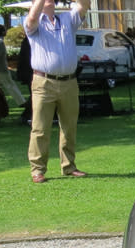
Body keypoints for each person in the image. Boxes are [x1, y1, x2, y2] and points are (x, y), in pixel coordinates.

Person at [24, 0, 90, 184]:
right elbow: (31, 18)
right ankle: (37, 170)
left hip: (69, 81)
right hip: (43, 82)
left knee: (69, 126)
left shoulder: (67, 19)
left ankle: (69, 166)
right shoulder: (34, 21)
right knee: (40, 128)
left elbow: (84, 5)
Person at [0, 25, 26, 108]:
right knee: (10, 85)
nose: (6, 32)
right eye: (5, 30)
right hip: (0, 69)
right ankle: (21, 102)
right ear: (2, 32)